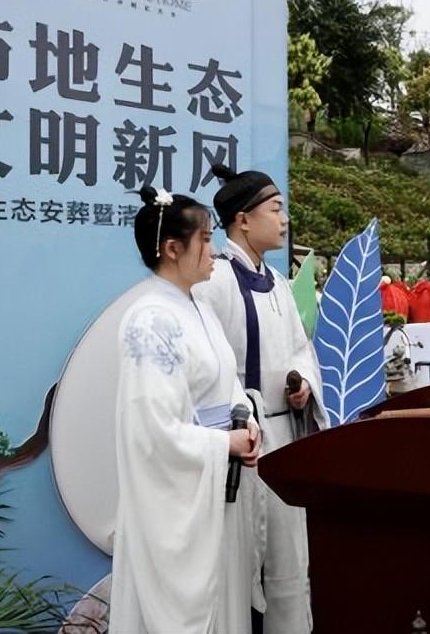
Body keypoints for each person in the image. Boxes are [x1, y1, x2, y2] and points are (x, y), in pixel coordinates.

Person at [111, 186, 262, 634]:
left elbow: (227, 380)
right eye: (206, 240)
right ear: (173, 249)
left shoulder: (198, 310)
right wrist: (223, 442)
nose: (215, 252)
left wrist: (246, 420)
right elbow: (152, 430)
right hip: (188, 496)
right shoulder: (150, 319)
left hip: (218, 486)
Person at [193, 164, 327, 634]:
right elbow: (207, 367)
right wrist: (241, 416)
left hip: (284, 436)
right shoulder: (217, 281)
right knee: (240, 563)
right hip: (244, 447)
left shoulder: (277, 283)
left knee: (291, 562)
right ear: (242, 220)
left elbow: (298, 349)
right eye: (275, 209)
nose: (284, 219)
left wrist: (302, 384)